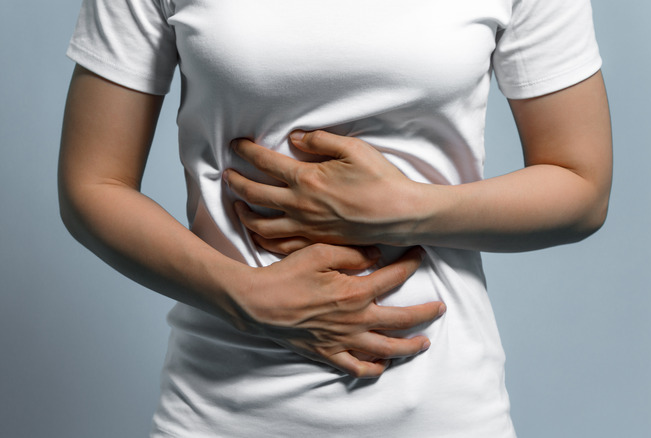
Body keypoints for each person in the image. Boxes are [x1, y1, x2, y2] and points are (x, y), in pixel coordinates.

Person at [59, 0, 612, 436]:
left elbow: (580, 187)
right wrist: (246, 297)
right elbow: (92, 184)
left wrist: (404, 210)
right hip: (220, 407)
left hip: (443, 410)